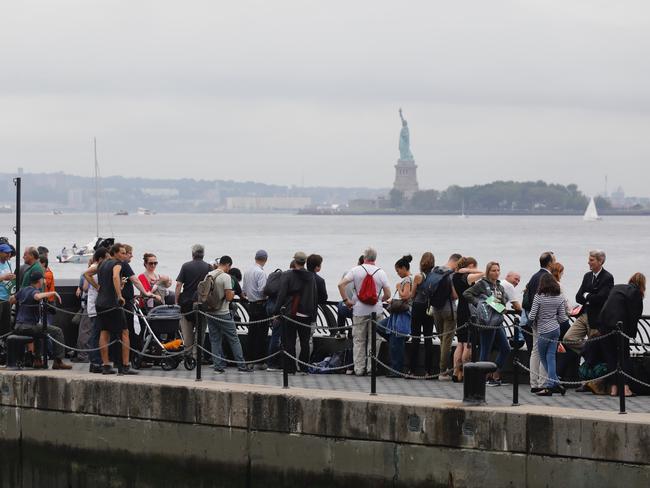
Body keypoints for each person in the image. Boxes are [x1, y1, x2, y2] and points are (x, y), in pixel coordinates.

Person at [338, 247, 391, 376]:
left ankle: (359, 368)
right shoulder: (381, 272)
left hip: (359, 309)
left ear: (364, 257)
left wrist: (346, 301)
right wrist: (379, 300)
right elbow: (388, 294)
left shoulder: (355, 270)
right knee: (374, 339)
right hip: (376, 310)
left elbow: (341, 285)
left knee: (359, 340)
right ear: (375, 258)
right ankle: (371, 367)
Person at [596, 273, 645, 397]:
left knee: (611, 357)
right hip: (619, 327)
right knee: (624, 357)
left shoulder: (617, 287)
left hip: (604, 325)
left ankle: (613, 389)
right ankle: (625, 388)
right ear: (642, 285)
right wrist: (631, 334)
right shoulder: (636, 293)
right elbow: (634, 316)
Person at [11, 271, 72, 369]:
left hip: (18, 325)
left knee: (39, 333)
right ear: (39, 281)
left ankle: (37, 360)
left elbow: (11, 299)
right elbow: (37, 296)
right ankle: (58, 361)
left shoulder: (23, 290)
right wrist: (53, 292)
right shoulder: (35, 291)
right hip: (29, 325)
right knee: (57, 331)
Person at [464, 261, 510, 386]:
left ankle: (493, 373)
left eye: (498, 270)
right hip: (487, 321)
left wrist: (499, 303)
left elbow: (503, 301)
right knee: (485, 350)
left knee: (506, 348)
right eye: (493, 270)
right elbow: (466, 293)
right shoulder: (482, 284)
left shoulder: (500, 286)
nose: (496, 273)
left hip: (498, 321)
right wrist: (479, 303)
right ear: (488, 271)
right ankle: (481, 378)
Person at [93, 243, 137, 375]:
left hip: (100, 302)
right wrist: (119, 295)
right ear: (115, 253)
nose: (124, 255)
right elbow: (115, 276)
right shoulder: (117, 264)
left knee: (104, 332)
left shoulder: (102, 264)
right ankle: (124, 365)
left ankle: (106, 365)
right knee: (124, 332)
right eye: (122, 253)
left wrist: (97, 286)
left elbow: (87, 274)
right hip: (112, 303)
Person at [203, 256, 251, 373]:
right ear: (228, 265)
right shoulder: (226, 277)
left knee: (215, 339)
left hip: (209, 311)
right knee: (234, 339)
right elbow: (229, 297)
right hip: (223, 312)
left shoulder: (209, 275)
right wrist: (233, 292)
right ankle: (241, 365)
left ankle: (218, 366)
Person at [274, 252, 318, 374]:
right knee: (305, 342)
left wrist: (276, 311)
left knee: (290, 341)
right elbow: (314, 295)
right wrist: (313, 314)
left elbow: (281, 294)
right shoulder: (311, 277)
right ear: (304, 262)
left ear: (295, 261)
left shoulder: (287, 275)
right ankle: (304, 367)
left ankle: (290, 368)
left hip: (291, 313)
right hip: (306, 314)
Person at [563, 250, 614, 355]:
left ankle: (591, 353)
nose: (588, 262)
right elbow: (578, 297)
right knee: (568, 338)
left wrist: (587, 295)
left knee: (595, 344)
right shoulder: (587, 276)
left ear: (600, 261)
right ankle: (588, 351)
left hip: (597, 318)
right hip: (584, 314)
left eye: (591, 260)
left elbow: (601, 298)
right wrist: (590, 298)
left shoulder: (607, 277)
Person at [528, 273, 569, 396]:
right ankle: (554, 385)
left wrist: (532, 322)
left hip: (543, 331)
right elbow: (562, 318)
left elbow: (532, 315)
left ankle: (553, 384)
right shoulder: (560, 297)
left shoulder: (539, 297)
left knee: (543, 358)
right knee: (551, 357)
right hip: (556, 330)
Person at [521, 252, 555, 392]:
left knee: (535, 350)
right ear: (550, 263)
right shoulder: (547, 277)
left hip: (533, 317)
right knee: (544, 351)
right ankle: (543, 383)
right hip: (544, 320)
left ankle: (534, 382)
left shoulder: (534, 276)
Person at [377, 255, 412, 377]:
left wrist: (398, 288)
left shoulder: (407, 280)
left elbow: (405, 296)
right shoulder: (408, 279)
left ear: (403, 268)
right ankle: (397, 339)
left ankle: (396, 370)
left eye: (398, 270)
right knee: (380, 326)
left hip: (402, 314)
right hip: (397, 314)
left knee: (395, 344)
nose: (397, 273)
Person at [175, 244, 212, 358]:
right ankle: (197, 356)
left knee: (187, 332)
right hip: (202, 304)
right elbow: (210, 287)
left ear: (193, 254)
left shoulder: (186, 266)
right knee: (200, 332)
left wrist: (177, 302)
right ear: (203, 254)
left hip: (186, 303)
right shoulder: (209, 267)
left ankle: (188, 355)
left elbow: (178, 285)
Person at [451, 257, 484, 382]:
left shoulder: (455, 276)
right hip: (469, 310)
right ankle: (465, 372)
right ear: (470, 266)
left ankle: (455, 372)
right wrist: (475, 270)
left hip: (461, 308)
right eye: (474, 266)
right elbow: (483, 274)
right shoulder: (468, 277)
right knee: (467, 344)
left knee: (460, 343)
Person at [431, 253, 461, 380]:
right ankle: (443, 372)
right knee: (447, 341)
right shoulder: (451, 274)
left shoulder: (435, 270)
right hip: (449, 310)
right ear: (456, 262)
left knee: (442, 339)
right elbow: (454, 296)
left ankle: (442, 368)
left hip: (435, 309)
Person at [408, 252, 435, 377]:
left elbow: (412, 295)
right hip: (430, 308)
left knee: (415, 337)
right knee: (428, 337)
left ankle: (412, 370)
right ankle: (428, 370)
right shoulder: (435, 277)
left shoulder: (418, 277)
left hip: (418, 306)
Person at [242, 250, 269, 369]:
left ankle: (249, 359)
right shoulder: (261, 273)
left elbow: (244, 290)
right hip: (261, 305)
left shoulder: (247, 271)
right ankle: (261, 360)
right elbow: (262, 290)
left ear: (255, 258)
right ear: (265, 259)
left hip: (251, 305)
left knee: (252, 333)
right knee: (262, 333)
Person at [84, 248, 109, 373]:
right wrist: (97, 287)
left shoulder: (100, 267)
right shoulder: (96, 267)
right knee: (96, 334)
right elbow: (86, 274)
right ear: (100, 259)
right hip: (95, 306)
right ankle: (95, 361)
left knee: (98, 334)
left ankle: (97, 361)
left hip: (97, 305)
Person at [0, 243, 16, 336]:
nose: (8, 255)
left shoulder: (8, 263)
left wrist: (12, 277)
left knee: (6, 324)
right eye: (6, 253)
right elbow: (4, 277)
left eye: (9, 253)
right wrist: (4, 277)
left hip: (7, 298)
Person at [39, 255, 56, 325]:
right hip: (45, 301)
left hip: (48, 302)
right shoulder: (46, 273)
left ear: (43, 263)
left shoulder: (48, 274)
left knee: (47, 322)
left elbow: (44, 287)